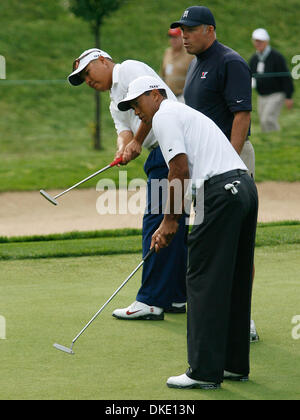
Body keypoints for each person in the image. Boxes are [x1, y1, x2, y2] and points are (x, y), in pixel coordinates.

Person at [117, 75, 258, 389]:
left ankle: (204, 371)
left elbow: (178, 169)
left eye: (137, 104)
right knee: (233, 279)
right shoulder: (182, 114)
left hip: (222, 191)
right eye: (130, 107)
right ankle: (234, 365)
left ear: (155, 95)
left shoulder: (164, 113)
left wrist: (169, 221)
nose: (136, 112)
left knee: (202, 280)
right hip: (244, 188)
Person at [67, 49, 188, 320]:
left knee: (156, 222)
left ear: (102, 60)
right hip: (165, 153)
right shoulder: (114, 102)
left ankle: (151, 301)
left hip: (170, 149)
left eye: (87, 72)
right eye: (82, 78)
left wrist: (137, 141)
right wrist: (123, 148)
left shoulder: (130, 69)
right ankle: (177, 297)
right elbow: (124, 131)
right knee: (176, 225)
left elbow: (157, 104)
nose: (87, 80)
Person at [170, 5, 259, 342]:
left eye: (190, 30)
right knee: (209, 239)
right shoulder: (196, 64)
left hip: (229, 163)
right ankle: (214, 313)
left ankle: (242, 318)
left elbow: (241, 116)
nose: (184, 36)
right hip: (204, 166)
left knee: (236, 242)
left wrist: (229, 163)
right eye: (182, 30)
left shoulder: (230, 62)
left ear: (209, 29)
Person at [249, 28, 294, 132]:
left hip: (276, 94)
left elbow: (286, 77)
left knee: (268, 119)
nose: (258, 44)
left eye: (260, 41)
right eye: (256, 41)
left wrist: (289, 96)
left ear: (266, 42)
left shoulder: (276, 57)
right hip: (262, 95)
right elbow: (250, 75)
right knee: (263, 122)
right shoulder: (254, 59)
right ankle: (270, 142)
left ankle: (277, 138)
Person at [161, 28, 194, 102]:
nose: (173, 40)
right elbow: (163, 73)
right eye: (171, 37)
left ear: (182, 37)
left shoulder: (189, 54)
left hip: (183, 96)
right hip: (168, 96)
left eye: (175, 37)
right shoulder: (167, 52)